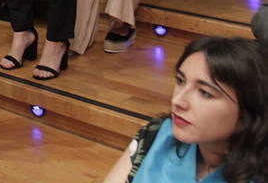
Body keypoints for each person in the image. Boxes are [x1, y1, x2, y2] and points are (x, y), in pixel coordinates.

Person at [103, 36, 268, 183]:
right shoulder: (156, 134)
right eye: (181, 81)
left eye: (205, 93)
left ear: (251, 108)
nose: (177, 101)